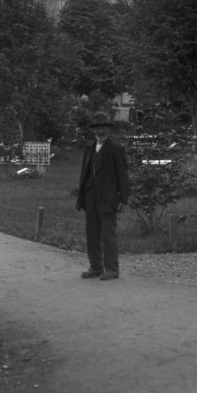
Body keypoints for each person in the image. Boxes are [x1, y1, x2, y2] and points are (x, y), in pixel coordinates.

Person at [76, 111, 130, 281]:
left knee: (108, 233)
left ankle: (112, 269)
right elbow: (84, 173)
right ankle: (95, 266)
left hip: (108, 196)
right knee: (91, 232)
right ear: (93, 130)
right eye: (97, 128)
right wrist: (82, 194)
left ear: (109, 130)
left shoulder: (115, 148)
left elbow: (123, 174)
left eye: (103, 128)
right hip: (90, 194)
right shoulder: (89, 147)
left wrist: (123, 198)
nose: (100, 132)